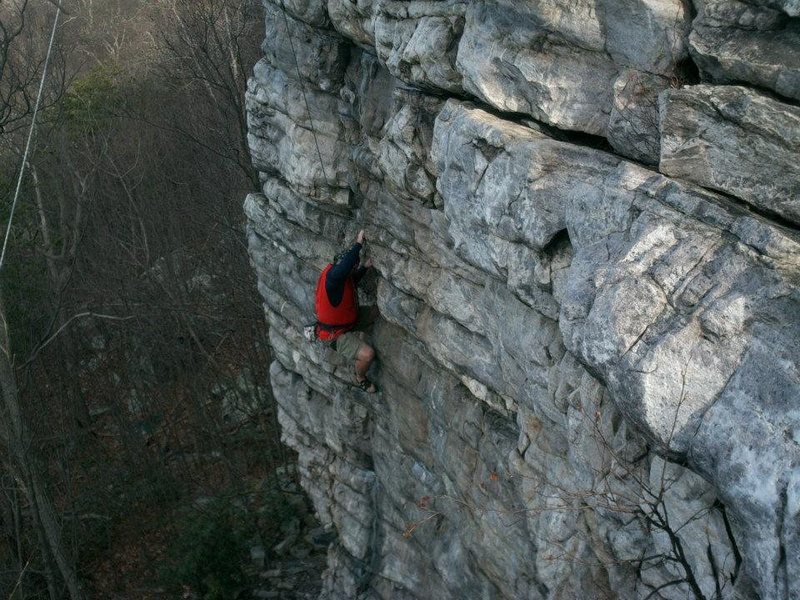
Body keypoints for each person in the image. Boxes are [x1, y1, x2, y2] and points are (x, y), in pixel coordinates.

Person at [315, 229, 378, 393]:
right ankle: (360, 378)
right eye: (353, 267)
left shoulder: (341, 279)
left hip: (348, 320)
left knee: (375, 312)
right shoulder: (333, 279)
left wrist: (364, 267)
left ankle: (361, 336)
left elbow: (352, 280)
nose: (354, 269)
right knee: (367, 354)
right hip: (335, 334)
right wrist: (358, 244)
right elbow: (345, 268)